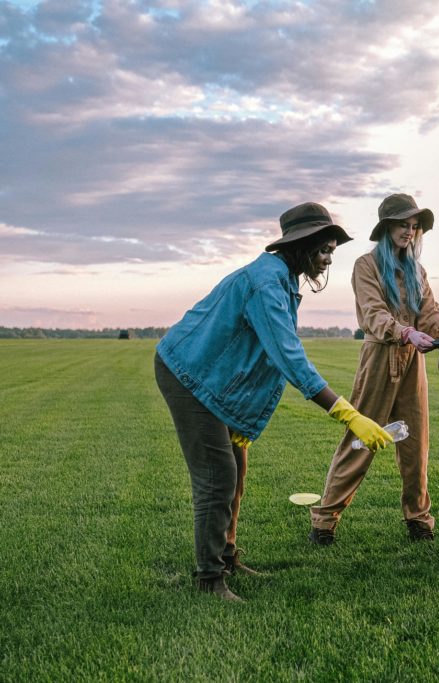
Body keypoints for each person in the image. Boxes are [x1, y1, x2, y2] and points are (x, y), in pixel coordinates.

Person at [155, 202, 393, 602]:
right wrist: (349, 415)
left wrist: (243, 421)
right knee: (217, 478)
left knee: (237, 467)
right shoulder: (267, 283)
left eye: (332, 250)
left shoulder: (282, 279)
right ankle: (208, 580)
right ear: (300, 245)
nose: (328, 258)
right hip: (188, 375)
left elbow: (256, 359)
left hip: (213, 379)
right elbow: (288, 357)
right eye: (324, 249)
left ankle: (227, 556)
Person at [309, 193, 439, 545]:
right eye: (404, 225)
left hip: (412, 364)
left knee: (416, 444)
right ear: (387, 227)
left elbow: (430, 313)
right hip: (379, 358)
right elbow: (373, 313)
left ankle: (419, 519)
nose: (410, 231)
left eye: (415, 226)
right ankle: (325, 520)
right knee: (360, 440)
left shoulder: (417, 271)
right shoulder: (366, 266)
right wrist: (404, 331)